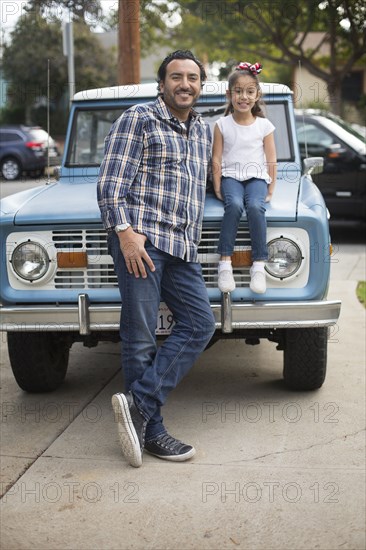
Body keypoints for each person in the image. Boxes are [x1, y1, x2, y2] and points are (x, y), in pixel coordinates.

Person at [97, 50, 216, 468]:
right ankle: (152, 430)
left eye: (193, 78)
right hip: (142, 245)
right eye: (176, 77)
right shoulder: (138, 118)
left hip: (182, 246)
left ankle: (137, 405)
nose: (185, 84)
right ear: (162, 83)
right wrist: (126, 236)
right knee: (141, 335)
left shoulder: (202, 130)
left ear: (202, 85)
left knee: (201, 323)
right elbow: (111, 184)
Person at [212, 61, 277, 294]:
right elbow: (217, 158)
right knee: (234, 205)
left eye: (250, 91)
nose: (244, 97)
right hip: (231, 177)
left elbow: (271, 159)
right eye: (238, 91)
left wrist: (270, 188)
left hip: (257, 178)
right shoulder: (222, 125)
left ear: (257, 94)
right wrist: (218, 185)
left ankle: (258, 264)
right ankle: (225, 262)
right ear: (229, 94)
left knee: (256, 208)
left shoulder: (264, 126)